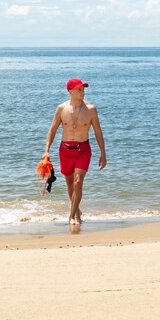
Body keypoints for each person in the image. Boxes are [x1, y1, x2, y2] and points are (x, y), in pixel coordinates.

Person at [43, 78, 107, 225]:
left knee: (78, 181)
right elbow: (52, 130)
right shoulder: (61, 109)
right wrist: (46, 150)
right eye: (79, 89)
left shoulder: (91, 109)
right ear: (70, 91)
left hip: (83, 149)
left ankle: (72, 216)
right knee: (70, 184)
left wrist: (103, 153)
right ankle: (76, 210)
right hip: (65, 150)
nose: (82, 91)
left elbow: (98, 132)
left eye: (83, 89)